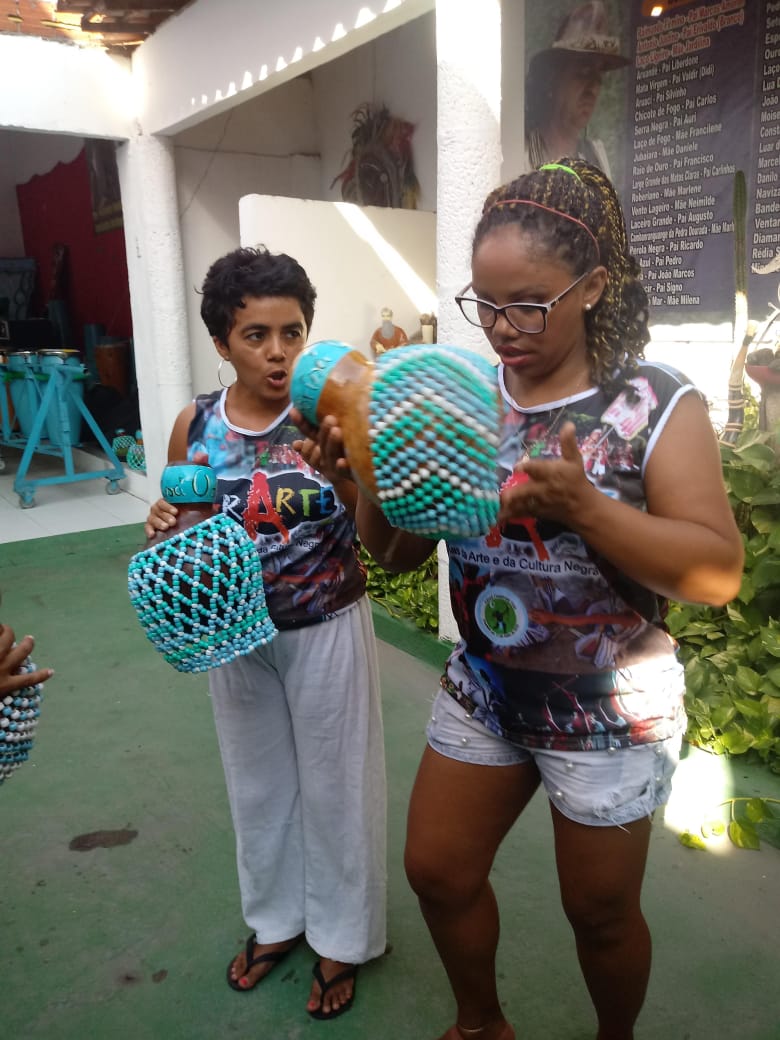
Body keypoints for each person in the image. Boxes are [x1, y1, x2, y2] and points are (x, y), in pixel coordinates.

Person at [304, 159, 744, 1040]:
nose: (505, 329)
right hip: (487, 689)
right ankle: (481, 1024)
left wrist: (586, 510)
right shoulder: (454, 395)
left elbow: (715, 573)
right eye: (488, 305)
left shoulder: (651, 402)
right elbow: (398, 550)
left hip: (608, 708)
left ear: (594, 288)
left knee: (600, 914)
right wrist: (363, 474)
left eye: (531, 305)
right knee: (437, 871)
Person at [144, 246, 386, 1021]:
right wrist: (163, 523)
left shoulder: (332, 418)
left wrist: (346, 469)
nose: (278, 352)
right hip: (233, 631)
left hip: (326, 621)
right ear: (222, 342)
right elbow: (186, 524)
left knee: (338, 785)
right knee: (257, 785)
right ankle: (276, 921)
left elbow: (374, 529)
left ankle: (344, 937)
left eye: (292, 333)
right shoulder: (196, 424)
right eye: (256, 335)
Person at [524, 1, 630, 177]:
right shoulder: (524, 150)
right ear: (554, 78)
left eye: (598, 76)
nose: (593, 87)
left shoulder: (595, 157)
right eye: (584, 72)